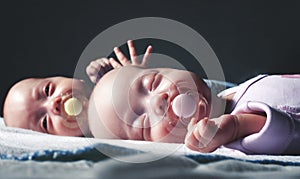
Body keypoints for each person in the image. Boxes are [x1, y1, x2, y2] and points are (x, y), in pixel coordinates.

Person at [87, 43, 300, 155]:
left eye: (153, 83)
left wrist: (134, 71)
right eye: (144, 124)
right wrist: (235, 128)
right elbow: (287, 133)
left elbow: (204, 86)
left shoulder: (224, 96)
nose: (157, 102)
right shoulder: (223, 139)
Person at [2, 40, 152, 137]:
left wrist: (130, 76)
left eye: (48, 91)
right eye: (45, 122)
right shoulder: (100, 140)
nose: (53, 105)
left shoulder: (112, 91)